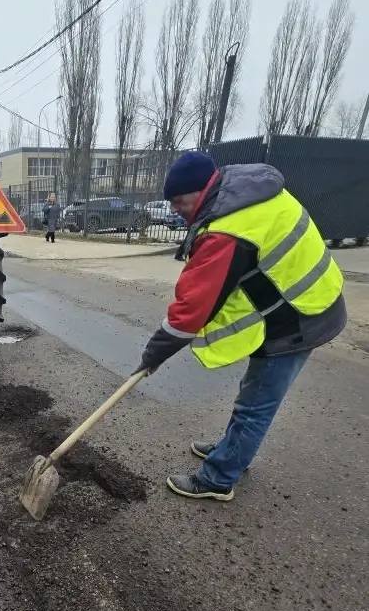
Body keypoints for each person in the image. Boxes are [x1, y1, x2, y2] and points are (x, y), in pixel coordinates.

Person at [137, 151, 346, 502]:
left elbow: (191, 311)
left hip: (299, 316)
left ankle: (218, 478)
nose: (174, 209)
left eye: (178, 201)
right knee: (253, 392)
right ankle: (232, 449)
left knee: (256, 405)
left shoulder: (226, 230)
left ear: (200, 191)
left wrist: (152, 356)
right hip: (303, 299)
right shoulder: (240, 191)